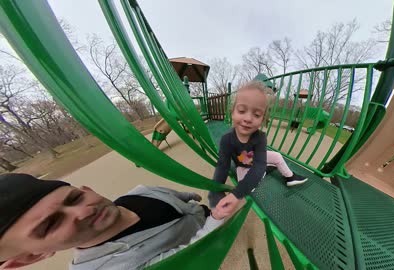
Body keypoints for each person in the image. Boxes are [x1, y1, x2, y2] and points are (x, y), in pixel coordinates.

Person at [0, 173, 226, 270]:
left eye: (75, 197)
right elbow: (189, 256)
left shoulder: (135, 194)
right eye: (51, 224)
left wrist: (187, 197)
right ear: (30, 257)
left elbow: (160, 193)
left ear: (86, 189)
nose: (84, 211)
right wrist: (218, 220)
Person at [209, 80, 308, 217]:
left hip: (256, 162)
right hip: (243, 166)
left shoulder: (260, 137)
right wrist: (216, 193)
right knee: (248, 183)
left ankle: (290, 177)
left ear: (262, 119)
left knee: (276, 157)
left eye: (256, 115)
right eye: (242, 110)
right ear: (232, 112)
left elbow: (259, 165)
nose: (248, 118)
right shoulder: (227, 140)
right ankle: (266, 170)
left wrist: (237, 193)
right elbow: (222, 167)